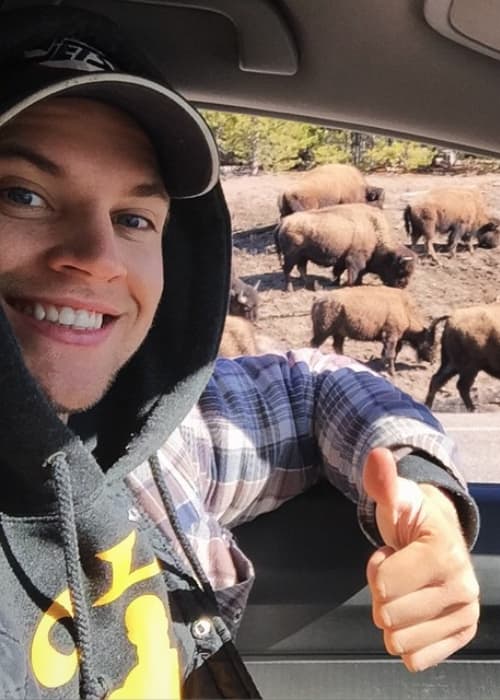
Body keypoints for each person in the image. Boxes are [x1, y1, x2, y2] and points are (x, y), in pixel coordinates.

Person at [0, 5, 480, 699]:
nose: (98, 258)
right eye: (23, 194)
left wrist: (424, 499)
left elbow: (310, 385)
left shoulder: (153, 450)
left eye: (135, 218)